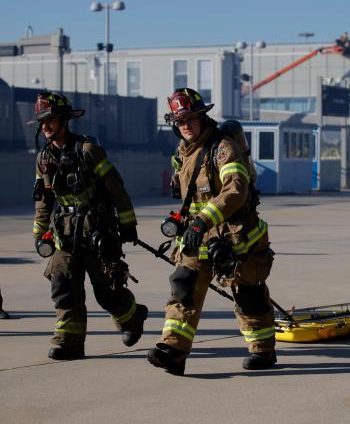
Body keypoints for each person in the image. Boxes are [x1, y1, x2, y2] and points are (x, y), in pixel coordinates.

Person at [147, 88, 277, 376]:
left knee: (248, 295)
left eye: (191, 118)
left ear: (203, 117)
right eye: (180, 121)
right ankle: (174, 351)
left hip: (236, 236)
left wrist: (202, 220)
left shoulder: (222, 147)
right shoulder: (183, 151)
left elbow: (236, 191)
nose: (186, 125)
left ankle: (263, 350)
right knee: (184, 287)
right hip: (199, 235)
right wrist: (191, 222)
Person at [30, 92, 147, 360]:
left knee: (107, 292)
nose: (45, 126)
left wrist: (127, 225)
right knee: (64, 288)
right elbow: (43, 200)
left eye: (50, 120)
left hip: (98, 232)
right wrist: (40, 234)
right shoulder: (43, 158)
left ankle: (132, 317)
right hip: (64, 235)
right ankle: (69, 342)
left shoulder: (88, 151)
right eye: (42, 121)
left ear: (65, 121)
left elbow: (116, 188)